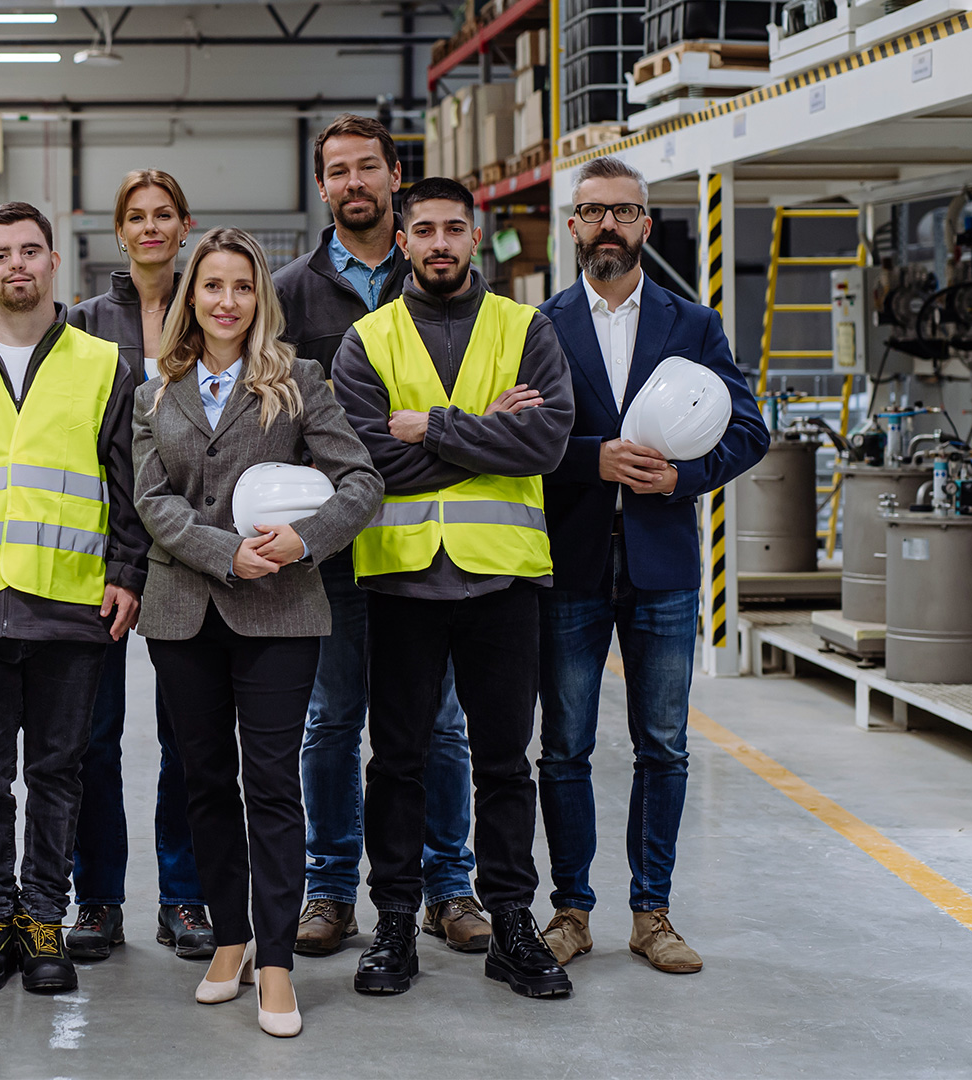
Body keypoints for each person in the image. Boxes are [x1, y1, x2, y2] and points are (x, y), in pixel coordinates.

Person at [135, 228, 383, 1038]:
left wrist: (305, 540)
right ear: (190, 298)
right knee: (204, 781)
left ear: (260, 299)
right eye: (211, 286)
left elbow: (360, 481)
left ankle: (275, 963)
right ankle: (230, 938)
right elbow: (152, 501)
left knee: (273, 786)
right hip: (183, 613)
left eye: (242, 286)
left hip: (281, 610)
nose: (227, 301)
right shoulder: (154, 392)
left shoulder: (299, 380)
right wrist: (224, 553)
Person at [332, 176, 576, 1000]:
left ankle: (512, 922)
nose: (439, 243)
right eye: (424, 230)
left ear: (476, 240)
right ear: (402, 242)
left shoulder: (525, 328)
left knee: (505, 763)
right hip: (401, 581)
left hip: (501, 580)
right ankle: (396, 922)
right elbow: (369, 461)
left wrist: (431, 426)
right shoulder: (367, 340)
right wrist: (487, 430)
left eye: (453, 230)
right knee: (396, 761)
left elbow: (544, 442)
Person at [534, 156, 767, 974]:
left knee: (663, 746)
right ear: (572, 226)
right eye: (592, 212)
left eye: (622, 212)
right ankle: (569, 910)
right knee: (562, 748)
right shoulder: (538, 325)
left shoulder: (693, 324)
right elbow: (519, 444)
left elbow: (749, 430)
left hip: (662, 563)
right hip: (568, 564)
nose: (607, 226)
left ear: (646, 224)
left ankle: (652, 912)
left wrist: (684, 476)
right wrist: (592, 460)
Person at [0, 202, 145, 996]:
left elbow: (130, 485)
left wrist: (128, 573)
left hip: (69, 603)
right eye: (1, 252)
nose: (17, 265)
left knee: (57, 771)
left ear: (54, 264)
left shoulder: (105, 363)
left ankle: (43, 917)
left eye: (31, 251)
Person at [271, 115, 488, 956]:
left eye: (369, 167)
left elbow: (483, 405)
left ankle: (448, 885)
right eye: (339, 171)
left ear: (396, 178)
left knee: (437, 722)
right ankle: (329, 890)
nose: (354, 182)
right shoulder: (288, 293)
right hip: (327, 547)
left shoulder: (445, 275)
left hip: (423, 536)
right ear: (321, 187)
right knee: (331, 720)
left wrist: (442, 433)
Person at [64, 168, 214, 962]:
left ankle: (185, 898)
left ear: (184, 224)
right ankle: (99, 899)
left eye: (164, 214)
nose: (151, 227)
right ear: (119, 231)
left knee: (188, 737)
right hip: (109, 554)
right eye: (137, 216)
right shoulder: (85, 323)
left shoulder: (218, 309)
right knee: (94, 737)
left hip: (190, 551)